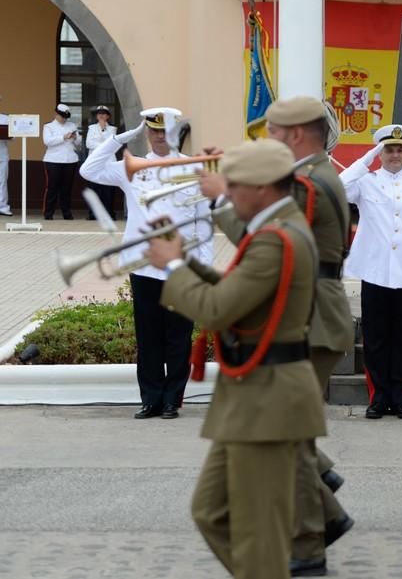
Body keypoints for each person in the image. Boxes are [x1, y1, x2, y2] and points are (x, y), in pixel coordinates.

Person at [145, 138, 326, 579]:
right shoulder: (274, 229)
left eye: (233, 185)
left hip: (269, 400)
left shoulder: (277, 238)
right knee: (212, 511)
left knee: (257, 533)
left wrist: (172, 267)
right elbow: (235, 292)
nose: (225, 193)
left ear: (262, 187)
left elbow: (216, 310)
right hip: (253, 399)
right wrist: (184, 258)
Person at [198, 96, 354, 576]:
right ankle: (323, 513)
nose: (267, 141)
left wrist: (222, 198)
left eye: (272, 134)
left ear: (296, 136)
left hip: (313, 314)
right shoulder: (317, 175)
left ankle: (310, 543)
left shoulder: (308, 182)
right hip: (318, 309)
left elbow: (263, 230)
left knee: (291, 440)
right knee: (295, 438)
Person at [80, 109, 213, 420]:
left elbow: (204, 223)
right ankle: (151, 399)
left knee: (178, 337)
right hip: (144, 267)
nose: (158, 137)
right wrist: (120, 138)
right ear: (147, 134)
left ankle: (172, 400)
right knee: (149, 337)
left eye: (163, 131)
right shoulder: (132, 169)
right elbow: (89, 169)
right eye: (152, 132)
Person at [340, 124, 402, 420]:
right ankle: (378, 396)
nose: (395, 154)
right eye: (389, 149)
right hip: (376, 273)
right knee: (376, 338)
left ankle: (401, 397)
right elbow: (338, 186)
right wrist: (366, 158)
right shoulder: (365, 182)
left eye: (401, 149)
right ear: (380, 152)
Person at [42, 103, 82, 220]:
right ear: (56, 114)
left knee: (67, 188)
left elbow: (78, 145)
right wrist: (63, 137)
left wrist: (75, 138)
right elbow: (47, 141)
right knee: (52, 187)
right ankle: (48, 213)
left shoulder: (72, 125)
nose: (64, 119)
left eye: (65, 116)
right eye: (62, 116)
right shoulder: (49, 126)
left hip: (70, 160)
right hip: (53, 160)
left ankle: (67, 213)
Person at [84, 106, 118, 220]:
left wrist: (103, 130)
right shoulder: (92, 128)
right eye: (99, 113)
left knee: (108, 189)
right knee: (94, 188)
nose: (101, 115)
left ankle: (109, 213)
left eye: (104, 113)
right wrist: (103, 145)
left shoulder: (112, 129)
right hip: (95, 163)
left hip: (109, 162)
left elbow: (112, 144)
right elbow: (89, 144)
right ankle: (93, 214)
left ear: (108, 116)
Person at [0, 111, 10, 216]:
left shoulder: (5, 118)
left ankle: (3, 207)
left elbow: (14, 135)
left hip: (2, 153)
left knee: (2, 181)